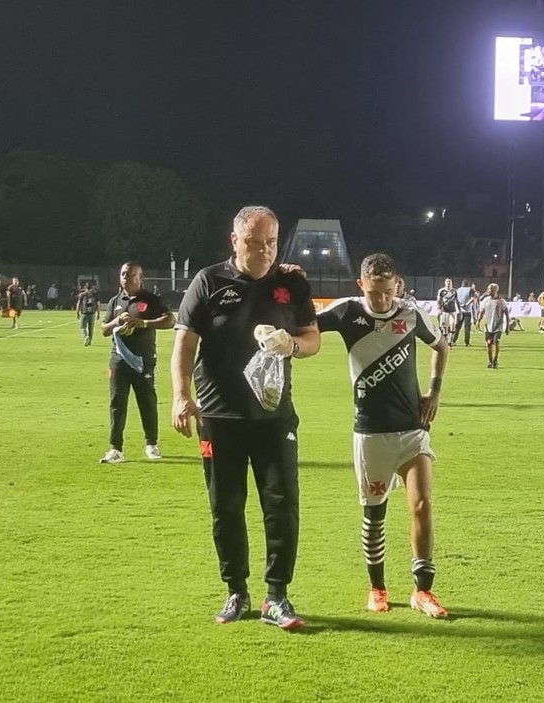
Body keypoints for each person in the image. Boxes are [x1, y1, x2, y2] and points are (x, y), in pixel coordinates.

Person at [171, 205, 320, 630]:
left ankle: (277, 596)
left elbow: (313, 339)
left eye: (271, 242)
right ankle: (236, 590)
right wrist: (181, 396)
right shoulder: (208, 281)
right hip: (219, 415)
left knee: (282, 504)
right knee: (226, 506)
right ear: (234, 240)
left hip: (274, 416)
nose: (265, 251)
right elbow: (185, 343)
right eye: (255, 243)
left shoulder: (292, 283)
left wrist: (291, 345)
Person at [317, 253, 450, 618]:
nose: (382, 300)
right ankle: (377, 587)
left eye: (388, 292)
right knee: (374, 515)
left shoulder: (411, 314)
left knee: (422, 505)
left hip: (412, 429)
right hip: (371, 433)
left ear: (397, 285)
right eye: (374, 292)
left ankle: (423, 591)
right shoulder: (346, 312)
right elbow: (304, 326)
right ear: (361, 285)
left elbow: (441, 346)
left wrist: (435, 391)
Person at [99, 262, 175, 463]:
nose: (126, 277)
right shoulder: (116, 301)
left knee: (147, 401)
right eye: (123, 274)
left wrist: (143, 323)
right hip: (118, 359)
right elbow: (104, 330)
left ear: (140, 277)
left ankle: (152, 444)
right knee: (117, 402)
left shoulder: (151, 300)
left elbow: (170, 320)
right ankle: (116, 448)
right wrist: (117, 321)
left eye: (131, 274)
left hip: (143, 360)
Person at [478, 283, 510, 369]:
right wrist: (478, 321)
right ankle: (490, 360)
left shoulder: (501, 301)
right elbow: (482, 312)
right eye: (488, 289)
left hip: (498, 327)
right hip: (488, 327)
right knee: (489, 344)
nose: (488, 290)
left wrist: (507, 326)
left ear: (495, 290)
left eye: (490, 289)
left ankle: (495, 361)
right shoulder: (485, 300)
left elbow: (506, 313)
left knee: (496, 343)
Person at [453, 279, 476, 347]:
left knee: (457, 327)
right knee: (467, 328)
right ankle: (467, 342)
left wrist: (460, 305)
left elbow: (456, 299)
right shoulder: (471, 289)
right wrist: (466, 304)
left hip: (460, 311)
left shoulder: (458, 290)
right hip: (467, 311)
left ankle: (453, 341)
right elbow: (472, 299)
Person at [76, 281, 100, 346]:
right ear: (92, 287)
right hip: (92, 313)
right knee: (91, 328)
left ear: (85, 287)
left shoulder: (82, 294)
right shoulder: (95, 294)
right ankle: (90, 341)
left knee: (82, 327)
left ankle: (86, 337)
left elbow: (78, 304)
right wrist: (98, 313)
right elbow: (98, 304)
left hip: (84, 313)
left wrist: (77, 312)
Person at [436, 279, 458, 347]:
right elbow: (438, 300)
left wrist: (459, 310)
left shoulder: (454, 291)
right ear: (445, 283)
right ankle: (445, 341)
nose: (448, 283)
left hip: (453, 311)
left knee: (452, 325)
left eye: (450, 282)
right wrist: (439, 308)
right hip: (445, 311)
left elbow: (457, 301)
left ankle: (450, 342)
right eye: (447, 282)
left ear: (452, 283)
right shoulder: (441, 291)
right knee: (445, 328)